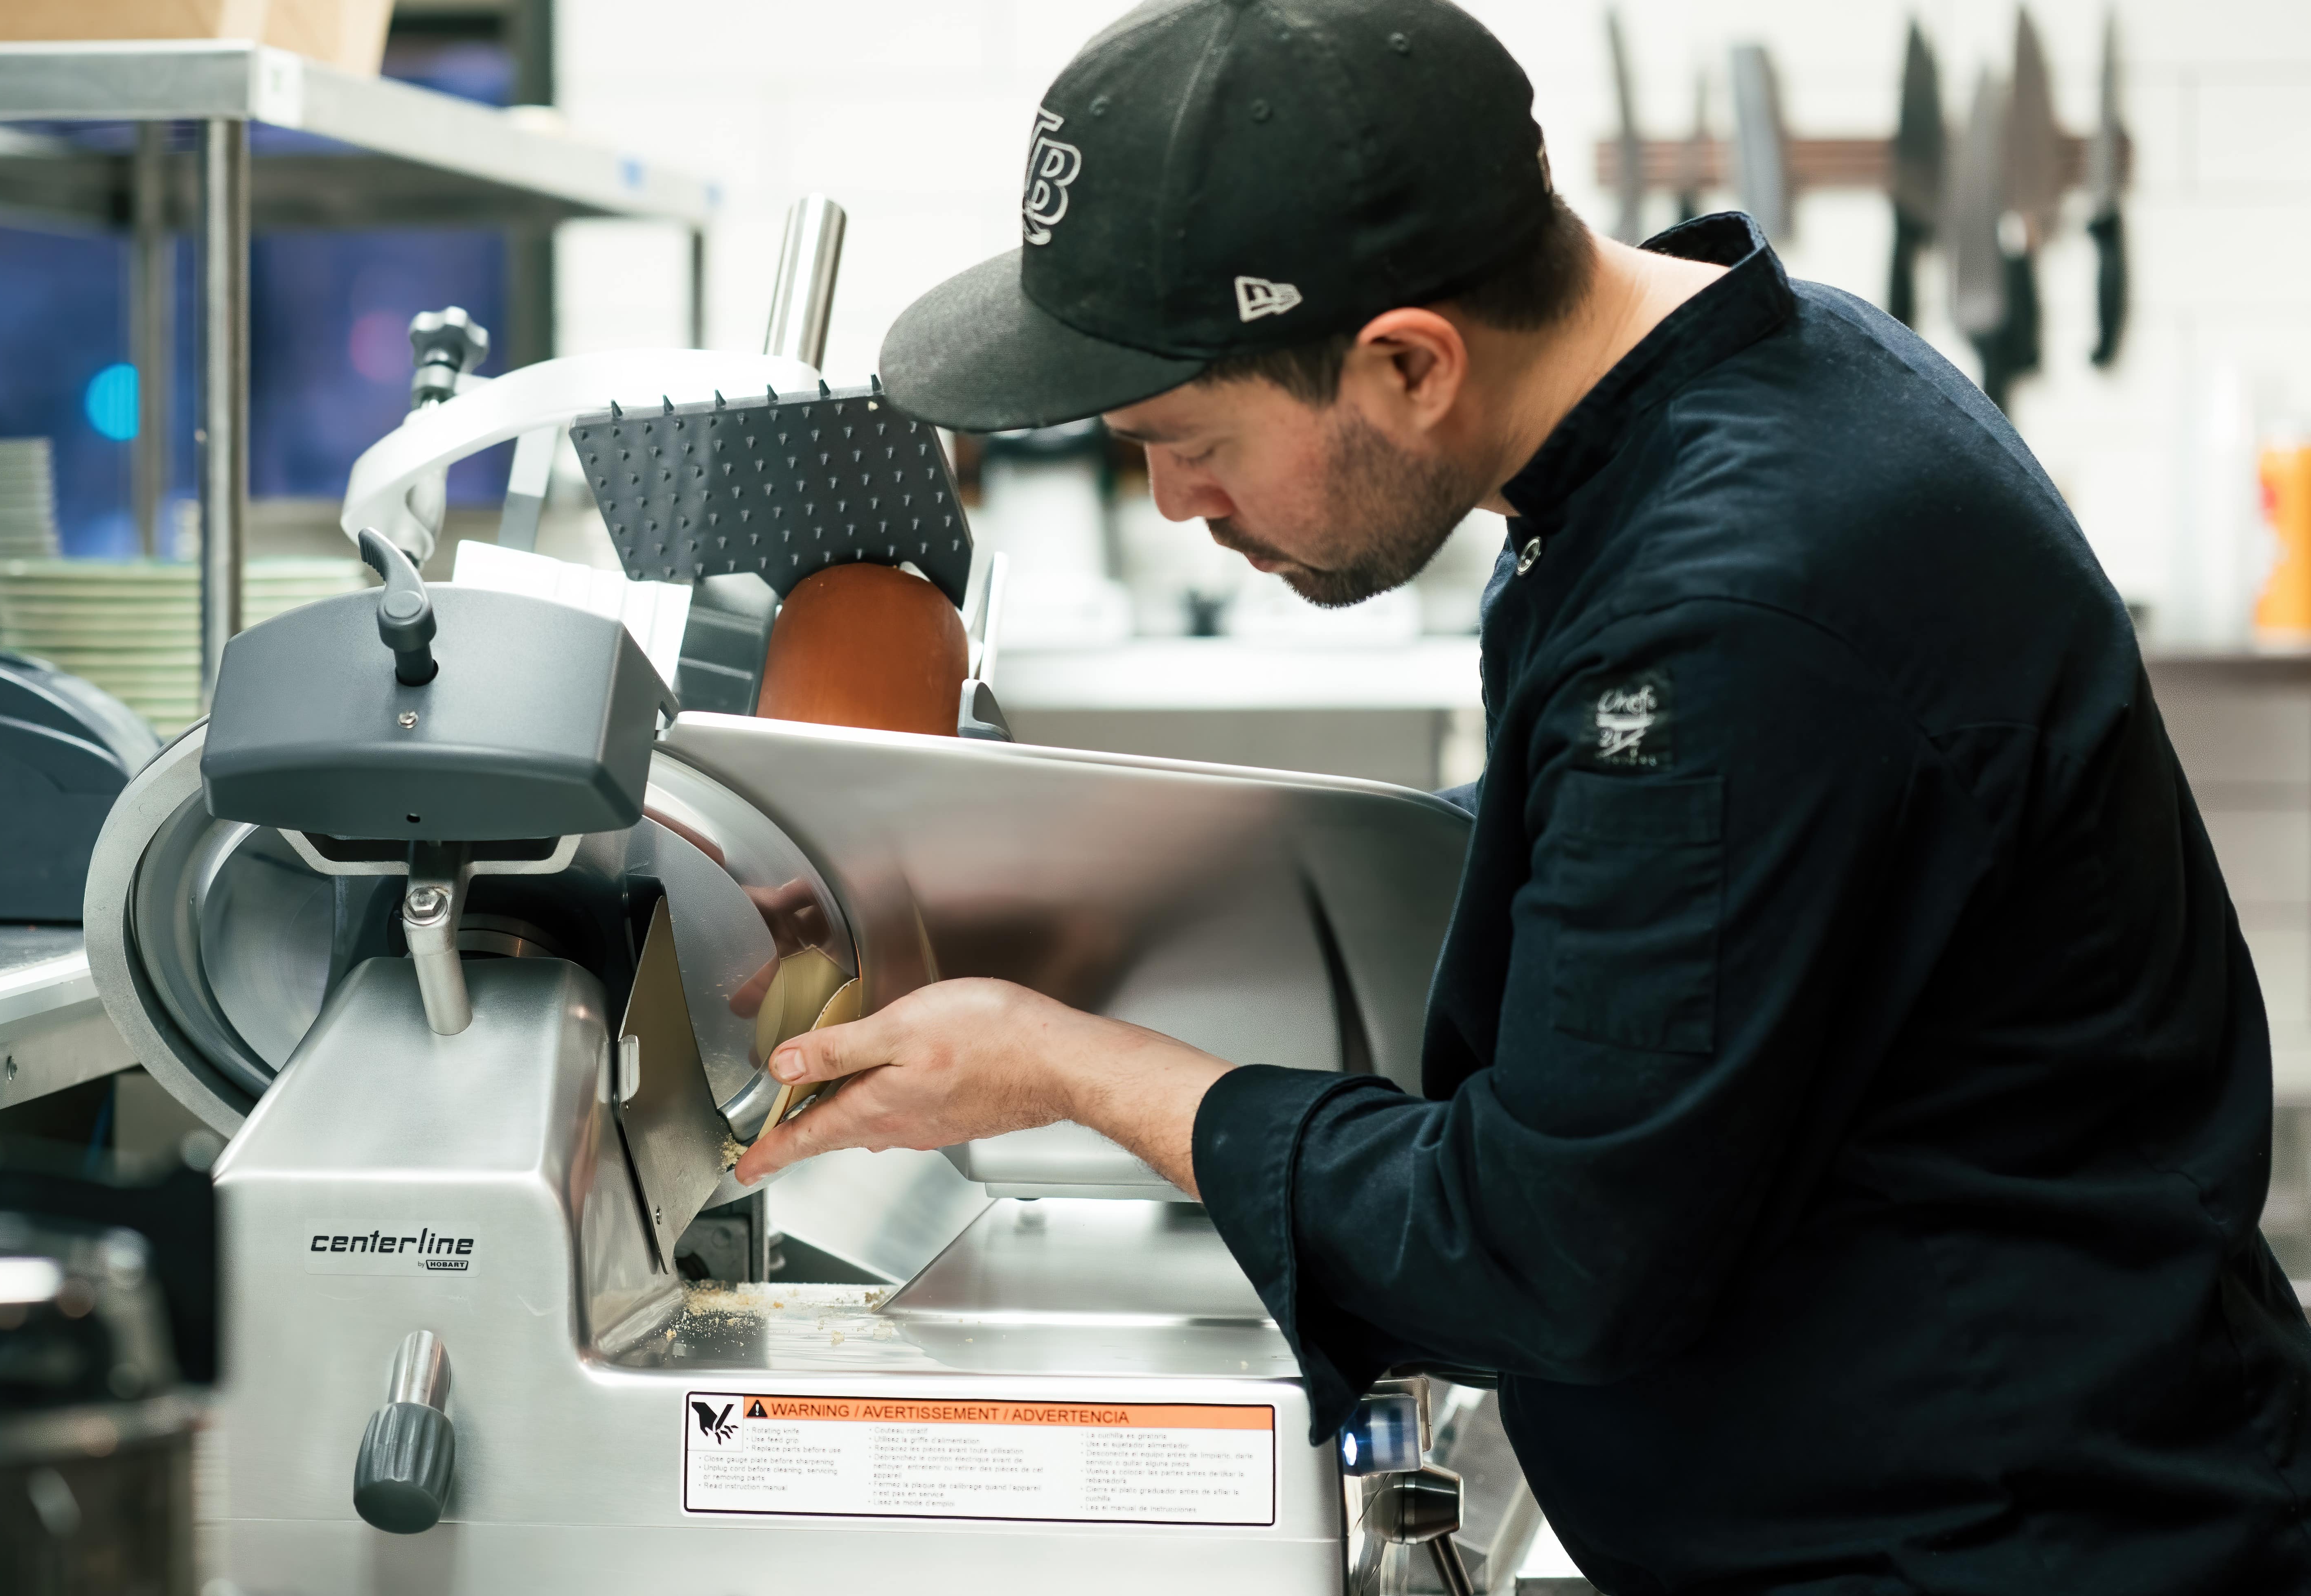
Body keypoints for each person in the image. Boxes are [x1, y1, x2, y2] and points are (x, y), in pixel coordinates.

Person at [731, 1, 2311, 1589]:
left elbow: (1542, 1252)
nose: (1174, 500)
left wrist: (1070, 1066)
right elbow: (1577, 886)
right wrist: (1015, 889)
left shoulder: (1730, 610)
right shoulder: (1717, 410)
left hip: (1999, 1544)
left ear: (1410, 362)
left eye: (1190, 440)